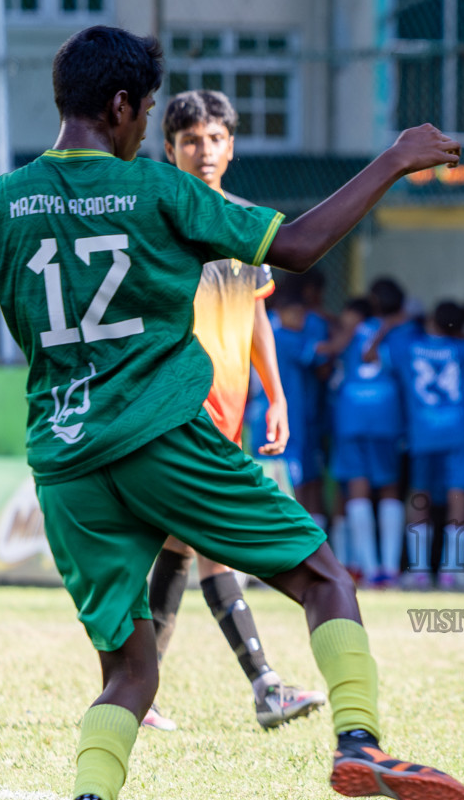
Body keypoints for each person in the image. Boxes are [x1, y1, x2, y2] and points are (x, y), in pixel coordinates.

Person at [0, 26, 464, 800]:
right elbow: (296, 245)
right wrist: (392, 159)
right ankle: (359, 742)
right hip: (162, 436)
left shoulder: (2, 201)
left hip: (65, 466)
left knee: (130, 669)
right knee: (324, 578)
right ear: (125, 107)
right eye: (144, 117)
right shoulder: (155, 191)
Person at [141, 88, 323, 733]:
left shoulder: (247, 222)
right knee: (207, 542)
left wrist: (276, 396)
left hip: (230, 411)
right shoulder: (160, 219)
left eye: (216, 138)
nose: (205, 150)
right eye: (191, 140)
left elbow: (255, 313)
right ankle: (266, 684)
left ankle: (137, 695)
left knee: (182, 547)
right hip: (176, 408)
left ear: (232, 145)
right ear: (170, 149)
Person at [386, 299, 464, 589]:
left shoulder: (407, 345)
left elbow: (390, 340)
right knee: (458, 497)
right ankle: (452, 571)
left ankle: (418, 570)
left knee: (420, 498)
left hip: (422, 433)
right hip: (459, 431)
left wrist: (405, 317)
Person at [330, 280, 408, 588]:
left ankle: (367, 567)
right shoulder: (401, 332)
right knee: (389, 487)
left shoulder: (349, 329)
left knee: (357, 487)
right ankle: (390, 569)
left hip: (351, 415)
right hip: (385, 415)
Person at [270, 268, 333, 522]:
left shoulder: (268, 323)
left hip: (288, 415)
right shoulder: (287, 335)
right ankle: (294, 550)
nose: (301, 319)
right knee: (296, 486)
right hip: (292, 417)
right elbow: (323, 364)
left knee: (299, 483)